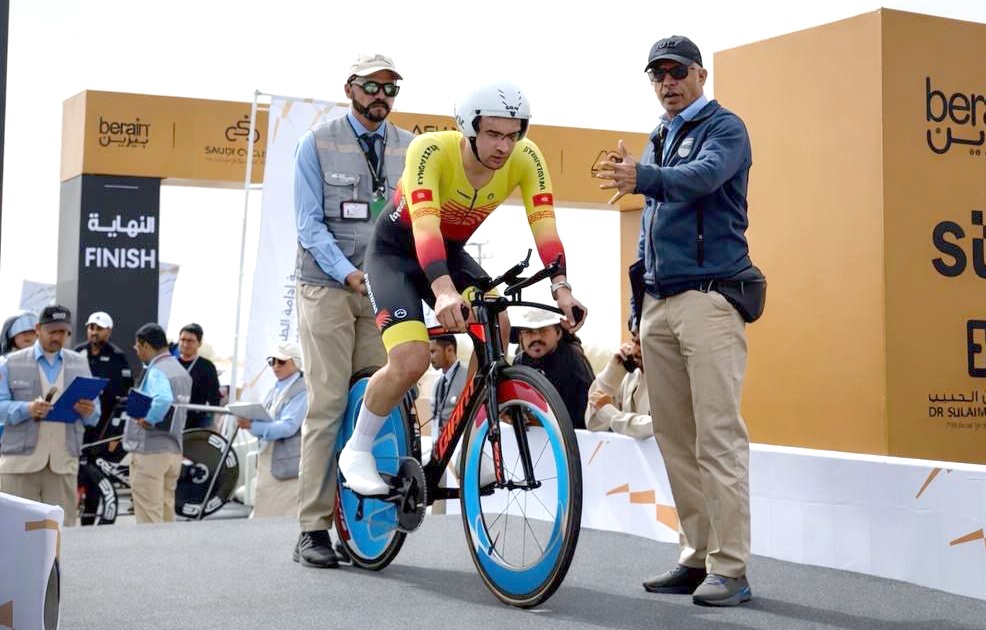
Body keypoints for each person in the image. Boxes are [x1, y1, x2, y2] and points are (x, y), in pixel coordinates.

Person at [338, 80, 588, 498]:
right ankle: (357, 448)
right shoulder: (430, 150)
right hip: (396, 255)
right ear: (468, 129)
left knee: (498, 324)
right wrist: (443, 291)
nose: (504, 146)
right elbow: (425, 227)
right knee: (411, 358)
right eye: (492, 134)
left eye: (512, 135)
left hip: (449, 254)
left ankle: (469, 440)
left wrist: (562, 288)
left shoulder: (526, 157)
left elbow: (544, 225)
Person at [596, 35, 757, 607]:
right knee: (674, 438)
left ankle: (730, 568)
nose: (668, 83)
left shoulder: (726, 128)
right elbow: (648, 231)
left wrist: (643, 176)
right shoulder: (659, 136)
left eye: (677, 72)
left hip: (709, 299)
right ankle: (697, 556)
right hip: (660, 304)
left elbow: (702, 178)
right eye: (658, 75)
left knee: (717, 437)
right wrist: (638, 309)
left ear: (700, 75)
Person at [292, 53, 414, 568]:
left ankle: (360, 528)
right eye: (371, 86)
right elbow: (308, 224)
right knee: (328, 404)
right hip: (328, 287)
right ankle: (312, 529)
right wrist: (348, 273)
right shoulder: (316, 143)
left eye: (390, 88)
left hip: (381, 289)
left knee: (375, 402)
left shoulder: (410, 147)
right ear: (350, 89)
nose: (380, 96)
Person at [0, 305, 101, 526]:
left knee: (60, 531)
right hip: (19, 464)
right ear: (38, 329)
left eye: (63, 332)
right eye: (52, 331)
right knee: (14, 530)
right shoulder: (10, 363)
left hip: (63, 463)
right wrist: (27, 409)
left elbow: (95, 414)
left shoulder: (80, 363)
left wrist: (89, 411)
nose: (57, 337)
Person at [124, 323, 191, 524]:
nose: (136, 350)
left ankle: (151, 548)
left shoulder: (156, 370)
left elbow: (163, 399)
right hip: (174, 450)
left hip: (149, 452)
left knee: (149, 516)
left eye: (137, 346)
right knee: (166, 510)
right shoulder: (181, 371)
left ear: (146, 345)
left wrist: (149, 419)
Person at [74, 311, 135, 525]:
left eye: (99, 329)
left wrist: (115, 435)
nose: (94, 332)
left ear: (108, 331)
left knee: (94, 475)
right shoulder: (77, 353)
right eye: (91, 327)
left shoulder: (118, 357)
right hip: (75, 425)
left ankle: (89, 520)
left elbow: (124, 399)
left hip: (102, 429)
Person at [235, 341, 307, 519]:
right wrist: (250, 423)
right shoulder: (276, 388)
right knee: (265, 514)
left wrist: (253, 426)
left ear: (297, 362)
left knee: (280, 517)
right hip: (270, 459)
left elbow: (288, 427)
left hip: (287, 465)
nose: (275, 366)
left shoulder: (303, 389)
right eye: (272, 361)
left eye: (281, 361)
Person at [512, 307, 593, 430]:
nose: (536, 338)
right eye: (528, 332)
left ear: (558, 333)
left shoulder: (572, 360)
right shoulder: (519, 364)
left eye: (543, 330)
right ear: (520, 338)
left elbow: (585, 413)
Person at [585, 332, 652, 439]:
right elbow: (594, 423)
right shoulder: (630, 377)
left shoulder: (672, 381)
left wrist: (612, 414)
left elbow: (654, 428)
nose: (635, 351)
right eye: (634, 342)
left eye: (641, 344)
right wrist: (612, 372)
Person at [0, 311, 39, 442]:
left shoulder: (45, 363)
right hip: (6, 432)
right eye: (23, 332)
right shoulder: (3, 363)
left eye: (32, 332)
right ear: (11, 335)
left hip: (35, 430)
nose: (28, 335)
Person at [175, 323, 221, 430]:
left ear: (199, 343)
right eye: (182, 340)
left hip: (196, 424)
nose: (185, 344)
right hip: (172, 420)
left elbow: (214, 398)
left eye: (190, 341)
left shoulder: (207, 367)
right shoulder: (170, 364)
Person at [428, 336, 466, 434]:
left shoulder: (468, 377)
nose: (430, 357)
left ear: (449, 350)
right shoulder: (436, 383)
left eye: (433, 352)